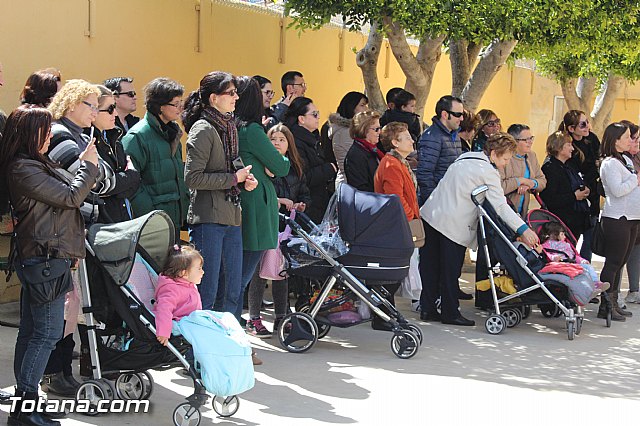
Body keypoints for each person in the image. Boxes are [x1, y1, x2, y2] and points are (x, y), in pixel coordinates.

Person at [0, 105, 98, 426]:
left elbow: (70, 191)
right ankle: (26, 408)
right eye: (45, 130)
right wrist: (88, 166)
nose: (50, 135)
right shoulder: (22, 168)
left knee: (33, 332)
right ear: (30, 133)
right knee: (45, 333)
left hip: (49, 255)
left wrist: (85, 167)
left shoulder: (35, 162)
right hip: (43, 257)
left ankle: (26, 404)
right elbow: (72, 195)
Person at [419, 132, 539, 326]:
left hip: (431, 216)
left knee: (430, 267)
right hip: (453, 225)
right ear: (494, 153)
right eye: (505, 158)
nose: (505, 164)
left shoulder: (464, 158)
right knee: (450, 271)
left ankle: (428, 308)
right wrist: (523, 229)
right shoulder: (488, 172)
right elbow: (501, 207)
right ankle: (450, 313)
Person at [44, 80, 116, 396]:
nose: (95, 111)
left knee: (72, 309)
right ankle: (53, 374)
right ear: (72, 104)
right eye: (90, 104)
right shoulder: (60, 135)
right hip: (60, 233)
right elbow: (91, 178)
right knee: (63, 309)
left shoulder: (81, 136)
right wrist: (96, 172)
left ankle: (61, 371)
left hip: (74, 230)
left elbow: (105, 179)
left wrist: (96, 173)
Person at [181, 71, 257, 314]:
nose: (236, 98)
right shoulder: (203, 129)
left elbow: (231, 167)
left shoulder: (228, 127)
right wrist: (234, 178)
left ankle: (229, 345)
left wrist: (245, 179)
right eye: (231, 93)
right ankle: (201, 348)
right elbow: (192, 178)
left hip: (231, 216)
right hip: (209, 220)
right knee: (208, 291)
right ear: (214, 98)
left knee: (233, 290)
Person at [245, 124, 310, 337]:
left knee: (281, 273)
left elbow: (305, 193)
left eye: (282, 140)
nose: (277, 144)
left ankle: (282, 317)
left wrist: (300, 204)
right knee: (259, 273)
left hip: (287, 229)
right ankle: (254, 318)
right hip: (266, 223)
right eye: (273, 140)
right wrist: (278, 201)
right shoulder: (263, 165)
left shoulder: (295, 168)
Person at [235, 76, 290, 323]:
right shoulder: (252, 130)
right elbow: (281, 164)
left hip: (244, 201)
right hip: (257, 203)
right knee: (243, 276)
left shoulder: (234, 127)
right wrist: (274, 163)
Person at [122, 77, 189, 234]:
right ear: (160, 106)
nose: (180, 108)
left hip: (173, 220)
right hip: (153, 224)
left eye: (181, 102)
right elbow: (131, 183)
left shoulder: (172, 133)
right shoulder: (137, 136)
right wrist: (152, 217)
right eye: (176, 104)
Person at [373, 122, 420, 330]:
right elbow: (396, 199)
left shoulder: (400, 162)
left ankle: (386, 313)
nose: (412, 140)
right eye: (407, 137)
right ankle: (381, 315)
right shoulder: (391, 164)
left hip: (399, 224)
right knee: (391, 273)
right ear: (394, 142)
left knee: (394, 273)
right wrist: (410, 219)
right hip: (396, 226)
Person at [597, 122, 640, 322]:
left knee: (621, 260)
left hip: (631, 217)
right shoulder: (610, 163)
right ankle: (605, 303)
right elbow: (617, 190)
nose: (630, 141)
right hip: (617, 218)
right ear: (616, 141)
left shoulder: (625, 160)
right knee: (613, 262)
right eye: (626, 137)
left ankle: (613, 301)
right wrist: (636, 179)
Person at [87, 85, 140, 223]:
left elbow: (134, 183)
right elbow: (98, 187)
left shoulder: (115, 136)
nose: (115, 114)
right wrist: (129, 177)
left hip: (123, 217)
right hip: (102, 223)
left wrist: (123, 182)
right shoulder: (86, 141)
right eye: (110, 109)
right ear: (93, 111)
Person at [284, 97, 337, 223]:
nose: (318, 117)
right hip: (306, 205)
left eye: (318, 114)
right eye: (314, 114)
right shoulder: (296, 142)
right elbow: (303, 176)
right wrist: (329, 169)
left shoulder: (312, 139)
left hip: (317, 202)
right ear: (301, 119)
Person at [560, 110, 601, 262]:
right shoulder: (566, 145)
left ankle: (585, 270)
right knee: (571, 241)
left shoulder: (592, 139)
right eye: (582, 124)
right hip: (575, 197)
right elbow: (570, 171)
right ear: (571, 128)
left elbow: (599, 161)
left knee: (590, 240)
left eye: (587, 122)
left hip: (592, 195)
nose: (587, 127)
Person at [539, 131, 590, 241]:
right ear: (558, 147)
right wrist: (574, 196)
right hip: (560, 223)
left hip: (574, 220)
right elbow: (549, 199)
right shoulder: (550, 168)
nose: (572, 149)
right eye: (569, 145)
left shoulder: (568, 166)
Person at [416, 95, 464, 204]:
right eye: (458, 114)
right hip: (438, 202)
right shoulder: (431, 137)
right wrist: (434, 201)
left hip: (450, 198)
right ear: (445, 114)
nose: (462, 118)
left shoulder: (454, 134)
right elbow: (424, 173)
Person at [154, 245, 204, 346]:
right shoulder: (172, 289)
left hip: (191, 323)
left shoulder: (188, 284)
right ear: (183, 273)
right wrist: (163, 331)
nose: (202, 272)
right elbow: (164, 309)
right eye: (199, 269)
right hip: (179, 325)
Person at [500, 124, 547, 218]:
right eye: (526, 140)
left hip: (523, 212)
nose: (530, 142)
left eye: (531, 138)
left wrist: (531, 183)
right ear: (514, 141)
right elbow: (499, 187)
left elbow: (542, 180)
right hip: (504, 212)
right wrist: (520, 181)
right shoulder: (503, 158)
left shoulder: (531, 156)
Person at [327, 91, 369, 187]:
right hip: (350, 183)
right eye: (362, 105)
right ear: (351, 107)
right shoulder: (345, 132)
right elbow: (355, 161)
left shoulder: (353, 130)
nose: (366, 109)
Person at [621, 120, 640, 304]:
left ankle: (635, 289)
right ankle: (613, 296)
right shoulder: (617, 161)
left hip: (637, 212)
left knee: (636, 249)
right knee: (620, 255)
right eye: (632, 138)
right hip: (623, 215)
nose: (635, 142)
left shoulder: (636, 157)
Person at [344, 111, 383, 192]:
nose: (380, 132)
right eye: (376, 129)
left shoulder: (372, 149)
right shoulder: (355, 155)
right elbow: (360, 188)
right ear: (363, 129)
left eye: (380, 128)